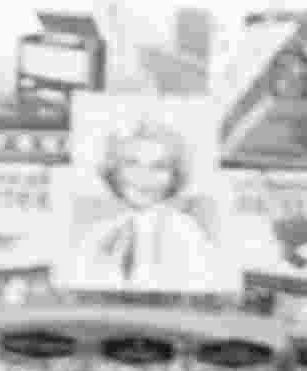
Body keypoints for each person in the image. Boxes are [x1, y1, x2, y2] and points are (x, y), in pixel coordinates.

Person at [70, 117, 233, 292]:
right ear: (113, 169)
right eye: (131, 163)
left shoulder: (187, 233)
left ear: (174, 175)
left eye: (159, 167)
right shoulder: (99, 234)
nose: (144, 177)